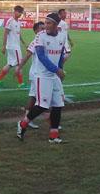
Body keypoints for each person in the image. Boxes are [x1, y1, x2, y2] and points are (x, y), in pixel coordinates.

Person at [16, 13, 67, 143]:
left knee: (58, 105)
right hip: (42, 76)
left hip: (54, 76)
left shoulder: (62, 36)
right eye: (45, 23)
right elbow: (41, 56)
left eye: (49, 23)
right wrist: (57, 70)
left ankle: (53, 136)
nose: (46, 26)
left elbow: (61, 54)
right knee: (43, 106)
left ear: (56, 25)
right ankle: (23, 124)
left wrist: (60, 69)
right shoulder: (40, 36)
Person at [16, 22, 46, 129]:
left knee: (34, 97)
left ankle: (26, 119)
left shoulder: (44, 40)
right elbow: (27, 55)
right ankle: (52, 123)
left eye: (44, 28)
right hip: (36, 74)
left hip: (41, 73)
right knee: (40, 98)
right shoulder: (35, 42)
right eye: (41, 28)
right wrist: (19, 67)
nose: (44, 30)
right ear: (36, 31)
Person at [0, 5, 26, 88]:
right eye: (19, 12)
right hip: (13, 47)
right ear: (15, 11)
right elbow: (5, 33)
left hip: (15, 46)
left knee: (10, 64)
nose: (20, 14)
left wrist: (23, 43)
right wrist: (3, 46)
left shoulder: (18, 22)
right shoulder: (10, 21)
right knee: (19, 64)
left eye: (21, 12)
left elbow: (18, 34)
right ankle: (20, 83)